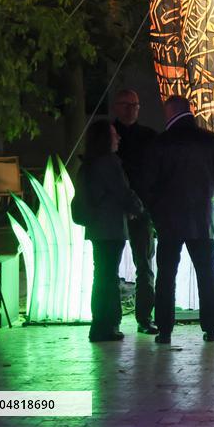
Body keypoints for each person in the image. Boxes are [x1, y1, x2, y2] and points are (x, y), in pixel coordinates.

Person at [144, 95, 214, 344]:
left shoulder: (161, 144)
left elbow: (150, 184)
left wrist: (156, 213)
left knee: (167, 275)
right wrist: (209, 202)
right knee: (206, 273)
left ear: (169, 113)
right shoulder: (210, 141)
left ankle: (165, 329)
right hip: (201, 219)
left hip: (169, 220)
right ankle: (211, 327)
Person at [78, 119, 142, 342]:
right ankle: (107, 325)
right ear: (106, 138)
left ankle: (99, 325)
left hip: (97, 227)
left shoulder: (90, 163)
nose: (119, 138)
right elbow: (122, 191)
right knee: (108, 276)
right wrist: (137, 208)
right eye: (115, 134)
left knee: (101, 275)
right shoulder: (109, 162)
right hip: (111, 227)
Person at [111, 88, 159, 335]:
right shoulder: (109, 134)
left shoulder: (149, 137)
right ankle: (113, 320)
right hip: (117, 211)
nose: (131, 109)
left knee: (145, 266)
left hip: (141, 211)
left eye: (135, 105)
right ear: (117, 107)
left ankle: (144, 317)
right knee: (111, 269)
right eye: (126, 104)